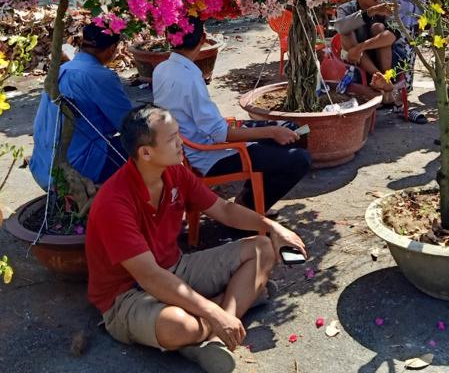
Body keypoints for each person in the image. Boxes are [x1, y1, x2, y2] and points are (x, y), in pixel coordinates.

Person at [86, 105, 307, 373]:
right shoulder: (114, 203)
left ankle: (214, 338)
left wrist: (272, 227)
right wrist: (214, 312)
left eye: (178, 134)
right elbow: (150, 277)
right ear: (145, 153)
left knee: (262, 248)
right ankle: (229, 307)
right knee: (180, 326)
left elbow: (223, 209)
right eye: (172, 139)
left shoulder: (175, 172)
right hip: (125, 295)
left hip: (175, 269)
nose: (181, 143)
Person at [152, 18, 311, 213]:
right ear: (203, 38)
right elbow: (220, 134)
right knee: (299, 158)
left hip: (192, 143)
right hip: (208, 155)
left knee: (291, 130)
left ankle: (249, 198)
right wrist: (271, 131)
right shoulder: (189, 78)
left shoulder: (162, 68)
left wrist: (273, 131)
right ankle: (247, 209)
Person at [29, 22, 132, 190]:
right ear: (112, 48)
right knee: (148, 142)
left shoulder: (61, 70)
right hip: (77, 170)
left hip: (42, 168)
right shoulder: (99, 76)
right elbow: (129, 124)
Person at [335, 0, 414, 105]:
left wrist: (361, 47)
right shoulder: (346, 8)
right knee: (346, 33)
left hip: (389, 58)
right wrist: (370, 12)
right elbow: (340, 27)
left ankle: (385, 79)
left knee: (379, 28)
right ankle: (382, 82)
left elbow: (392, 35)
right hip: (360, 61)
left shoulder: (385, 6)